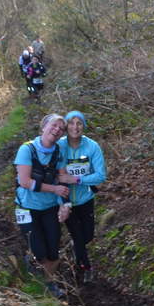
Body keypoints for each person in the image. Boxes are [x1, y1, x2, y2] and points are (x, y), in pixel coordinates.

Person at [15, 114, 71, 298]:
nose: (57, 130)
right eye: (54, 125)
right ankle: (31, 261)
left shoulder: (59, 152)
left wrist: (65, 205)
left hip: (49, 207)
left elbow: (62, 179)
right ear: (43, 127)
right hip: (26, 207)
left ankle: (49, 284)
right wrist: (54, 189)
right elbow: (24, 181)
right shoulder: (26, 149)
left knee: (53, 251)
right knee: (39, 251)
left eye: (61, 128)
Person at [56, 111, 106, 284]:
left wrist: (76, 179)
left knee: (87, 236)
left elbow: (100, 176)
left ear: (84, 126)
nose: (75, 127)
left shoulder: (92, 146)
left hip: (86, 199)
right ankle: (85, 268)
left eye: (79, 123)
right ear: (66, 126)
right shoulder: (59, 146)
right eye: (71, 123)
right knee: (78, 236)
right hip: (66, 200)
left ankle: (77, 250)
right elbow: (54, 174)